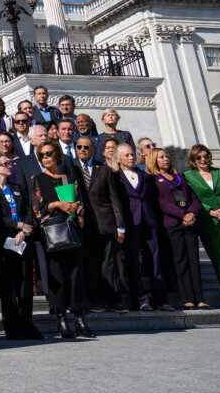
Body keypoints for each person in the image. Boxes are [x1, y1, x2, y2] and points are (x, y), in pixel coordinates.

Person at [29, 142, 94, 338]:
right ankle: (61, 318)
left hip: (72, 229)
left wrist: (77, 209)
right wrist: (57, 204)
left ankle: (80, 318)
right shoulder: (38, 179)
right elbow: (36, 210)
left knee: (76, 274)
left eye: (49, 154)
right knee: (57, 274)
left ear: (57, 155)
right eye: (42, 155)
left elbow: (81, 201)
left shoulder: (69, 177)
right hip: (54, 232)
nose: (46, 158)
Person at [0, 152, 41, 340]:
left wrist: (24, 231)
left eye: (9, 163)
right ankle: (12, 327)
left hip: (22, 241)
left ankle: (27, 324)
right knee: (8, 286)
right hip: (3, 243)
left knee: (25, 285)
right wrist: (17, 226)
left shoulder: (17, 187)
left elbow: (28, 213)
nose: (9, 166)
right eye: (5, 163)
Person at [72, 134, 127, 313]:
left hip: (105, 223)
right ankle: (95, 301)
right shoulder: (71, 168)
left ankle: (114, 300)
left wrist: (120, 227)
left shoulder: (104, 170)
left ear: (94, 150)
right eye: (79, 147)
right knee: (90, 264)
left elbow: (115, 200)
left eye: (86, 147)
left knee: (108, 264)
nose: (82, 150)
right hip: (82, 224)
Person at [148, 147, 209, 309]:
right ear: (154, 160)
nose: (166, 159)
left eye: (167, 156)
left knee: (194, 261)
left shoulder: (180, 177)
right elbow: (161, 203)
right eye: (161, 157)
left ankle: (200, 298)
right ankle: (187, 298)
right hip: (172, 224)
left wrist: (191, 213)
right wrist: (182, 215)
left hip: (190, 223)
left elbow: (194, 198)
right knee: (180, 261)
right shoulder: (153, 179)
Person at [115, 143, 170, 311]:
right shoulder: (115, 177)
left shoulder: (145, 176)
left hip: (149, 221)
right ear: (118, 159)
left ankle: (161, 300)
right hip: (130, 223)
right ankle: (140, 300)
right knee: (133, 262)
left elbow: (153, 199)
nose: (131, 158)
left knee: (155, 261)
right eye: (127, 155)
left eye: (132, 155)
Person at [184, 145, 220, 295]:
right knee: (219, 258)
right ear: (193, 159)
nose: (203, 160)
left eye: (205, 156)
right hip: (208, 222)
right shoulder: (188, 176)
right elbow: (193, 199)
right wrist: (210, 211)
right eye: (199, 157)